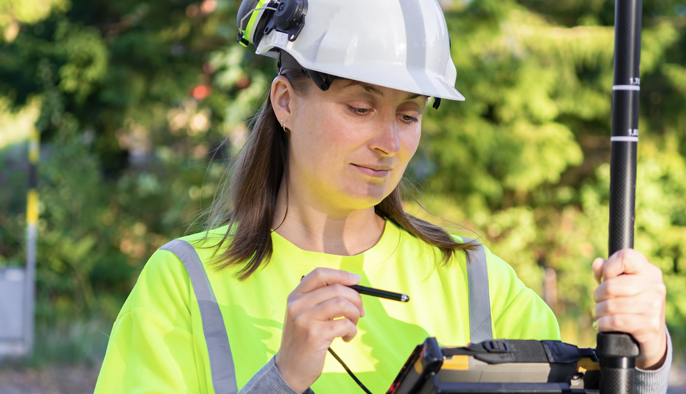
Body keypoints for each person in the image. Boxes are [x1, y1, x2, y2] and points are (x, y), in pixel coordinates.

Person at [94, 0, 671, 393]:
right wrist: (284, 378)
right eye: (360, 108)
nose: (389, 143)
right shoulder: (185, 283)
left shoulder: (473, 279)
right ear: (285, 102)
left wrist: (646, 354)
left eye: (409, 115)